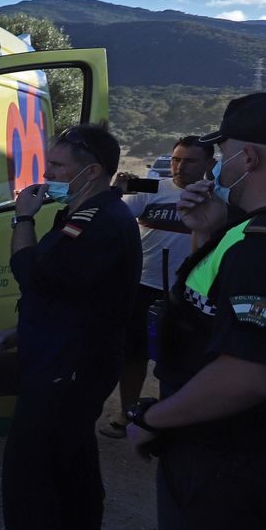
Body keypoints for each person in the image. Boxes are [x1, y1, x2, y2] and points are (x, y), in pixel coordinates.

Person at [124, 93, 266, 530]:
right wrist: (204, 230)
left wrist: (152, 419)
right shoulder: (239, 231)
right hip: (218, 457)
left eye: (224, 151)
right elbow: (209, 317)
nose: (217, 164)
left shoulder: (259, 246)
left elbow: (251, 372)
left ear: (248, 160)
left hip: (224, 464)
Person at [0, 123, 141, 530]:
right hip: (66, 357)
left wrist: (21, 220)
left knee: (30, 470)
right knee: (72, 462)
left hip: (67, 366)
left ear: (91, 172)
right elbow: (67, 296)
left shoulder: (97, 221)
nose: (46, 174)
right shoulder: (83, 213)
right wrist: (22, 333)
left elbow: (36, 277)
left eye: (57, 167)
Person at [101, 136, 214, 437]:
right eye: (176, 159)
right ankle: (129, 414)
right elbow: (117, 220)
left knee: (179, 359)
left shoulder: (218, 197)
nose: (180, 166)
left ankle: (173, 419)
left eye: (190, 161)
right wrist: (117, 190)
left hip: (189, 293)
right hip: (142, 285)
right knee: (133, 354)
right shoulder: (152, 188)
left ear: (208, 164)